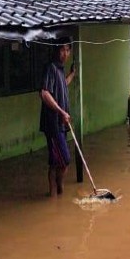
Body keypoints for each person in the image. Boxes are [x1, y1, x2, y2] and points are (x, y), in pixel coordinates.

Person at [39, 39, 75, 196]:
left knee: (55, 160)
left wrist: (72, 74)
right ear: (56, 50)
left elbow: (62, 85)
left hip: (60, 123)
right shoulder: (51, 68)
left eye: (67, 50)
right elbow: (44, 93)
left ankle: (54, 194)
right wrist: (61, 112)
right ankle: (57, 189)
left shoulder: (60, 70)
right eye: (62, 50)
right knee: (64, 159)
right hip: (53, 124)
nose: (65, 54)